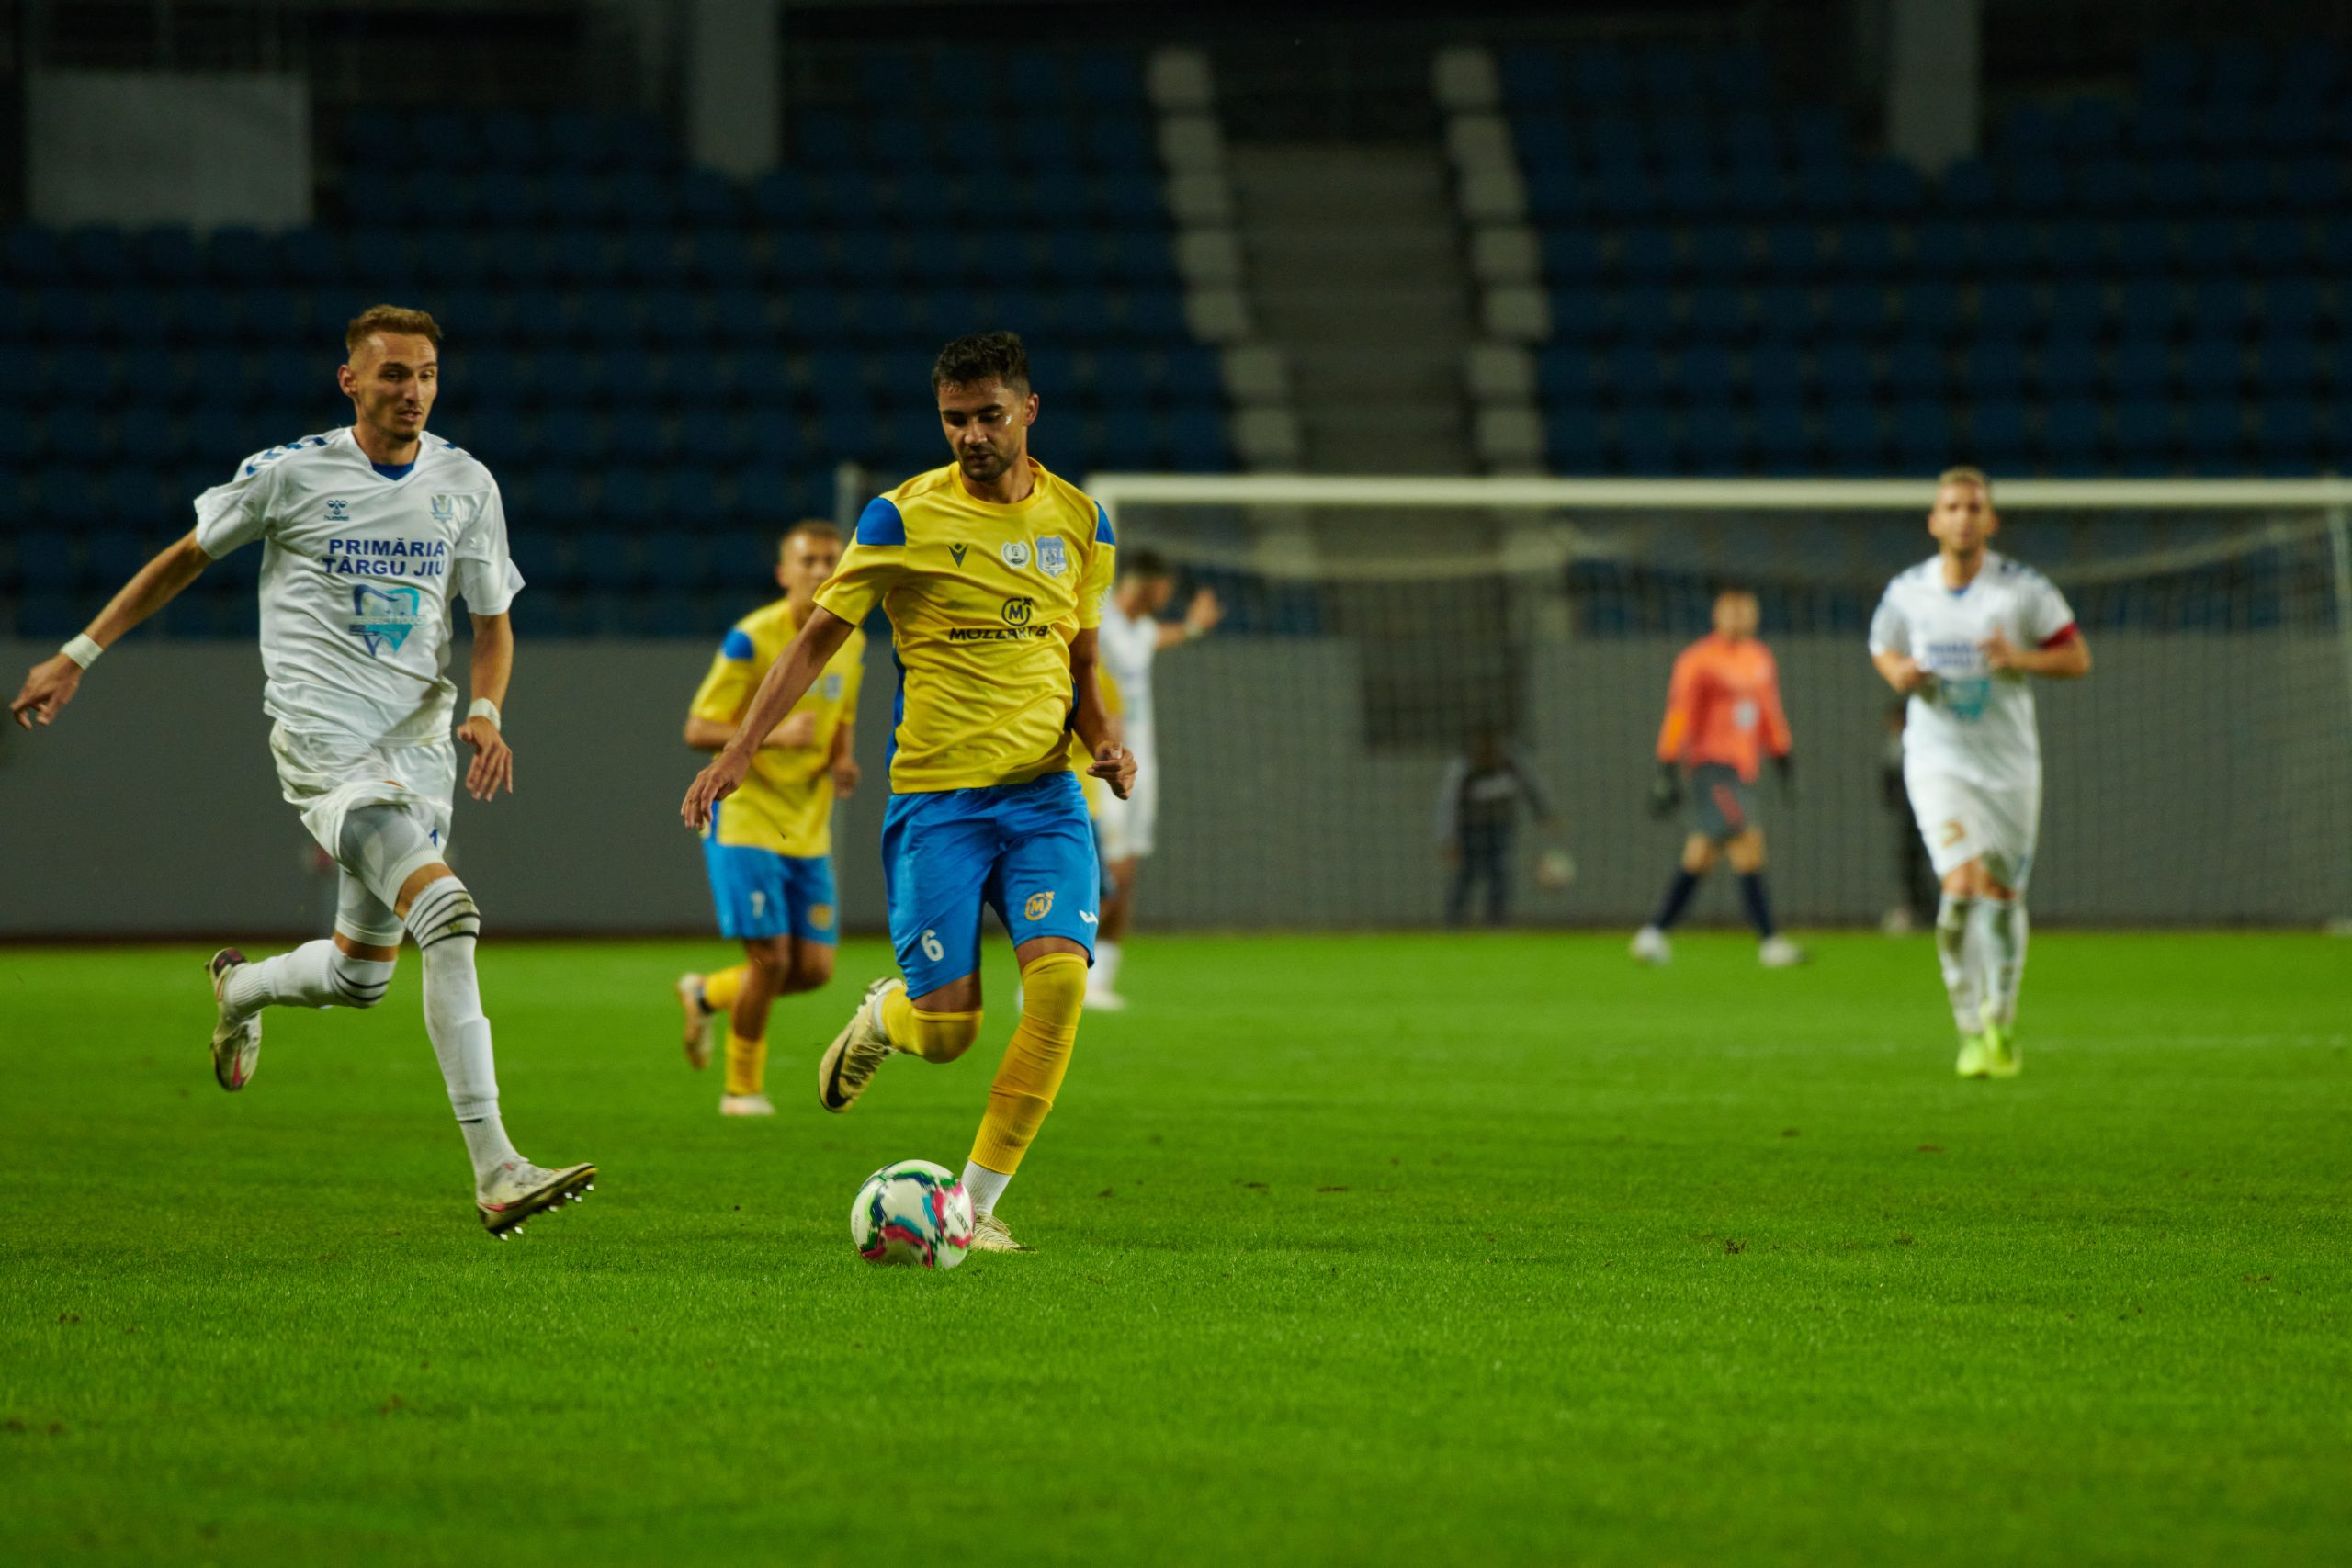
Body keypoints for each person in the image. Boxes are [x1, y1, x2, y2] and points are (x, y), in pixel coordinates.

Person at [8, 304, 593, 1236]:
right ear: (350, 380)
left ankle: (240, 990)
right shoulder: (289, 474)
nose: (413, 391)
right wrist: (79, 653)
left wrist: (486, 712)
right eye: (393, 373)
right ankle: (497, 1168)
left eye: (426, 374)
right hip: (325, 743)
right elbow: (184, 560)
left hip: (418, 748)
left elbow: (492, 622)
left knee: (362, 977)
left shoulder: (466, 482)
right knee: (448, 914)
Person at [681, 332, 1132, 1255]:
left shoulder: (1083, 522)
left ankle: (975, 1204)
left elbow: (1080, 661)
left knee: (1058, 989)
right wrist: (741, 747)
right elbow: (815, 638)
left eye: (989, 416)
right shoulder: (899, 518)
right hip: (938, 805)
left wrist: (1105, 744)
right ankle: (887, 1017)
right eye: (955, 419)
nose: (972, 435)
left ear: (1028, 409)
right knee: (949, 1030)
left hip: (1045, 796)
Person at [1869, 467, 2091, 1078]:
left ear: (1990, 520)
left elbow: (2077, 657)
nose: (1963, 517)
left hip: (2009, 767)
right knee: (1961, 887)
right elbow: (1882, 645)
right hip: (1937, 760)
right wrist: (1898, 673)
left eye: (1973, 507)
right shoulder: (1909, 591)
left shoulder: (2022, 591)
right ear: (1933, 521)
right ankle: (1969, 1026)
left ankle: (2001, 1017)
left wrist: (2018, 657)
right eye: (1952, 507)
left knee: (2002, 894)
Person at [673, 521, 865, 1116]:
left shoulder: (851, 637)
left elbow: (842, 713)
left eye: (830, 560)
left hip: (806, 822)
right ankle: (742, 1090)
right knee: (771, 958)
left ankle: (706, 993)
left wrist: (841, 759)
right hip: (747, 816)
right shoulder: (751, 639)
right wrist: (776, 735)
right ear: (784, 572)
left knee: (814, 969)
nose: (820, 569)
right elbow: (698, 728)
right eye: (808, 560)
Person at [1631, 587, 1804, 968]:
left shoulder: (1760, 658)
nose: (1739, 617)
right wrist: (1666, 767)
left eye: (1746, 610)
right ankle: (1770, 941)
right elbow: (1679, 713)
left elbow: (1769, 713)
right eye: (1731, 610)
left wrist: (1783, 761)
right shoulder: (1698, 659)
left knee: (1701, 855)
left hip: (1743, 770)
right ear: (1716, 615)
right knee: (1747, 842)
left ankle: (1653, 933)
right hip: (1713, 767)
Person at [1087, 547, 1221, 1009]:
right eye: (1165, 589)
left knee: (1126, 875)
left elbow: (1157, 637)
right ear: (1150, 585)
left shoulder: (1138, 630)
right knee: (1105, 875)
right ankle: (1053, 975)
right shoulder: (1098, 625)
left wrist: (1194, 628)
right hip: (1108, 768)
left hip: (1144, 766)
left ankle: (1099, 982)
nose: (1168, 597)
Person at [1433, 728, 1559, 926]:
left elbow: (1532, 787)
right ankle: (1454, 923)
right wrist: (1448, 840)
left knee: (1500, 872)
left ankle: (1496, 923)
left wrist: (1546, 815)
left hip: (1501, 827)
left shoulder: (1512, 763)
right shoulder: (1463, 768)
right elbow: (1447, 805)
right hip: (1470, 829)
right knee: (1466, 875)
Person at [1879, 701, 1939, 934]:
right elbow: (1888, 782)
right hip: (1907, 816)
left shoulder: (1918, 746)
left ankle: (1929, 912)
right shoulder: (1894, 746)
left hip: (1922, 815)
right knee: (1908, 864)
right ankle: (1919, 911)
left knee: (1924, 863)